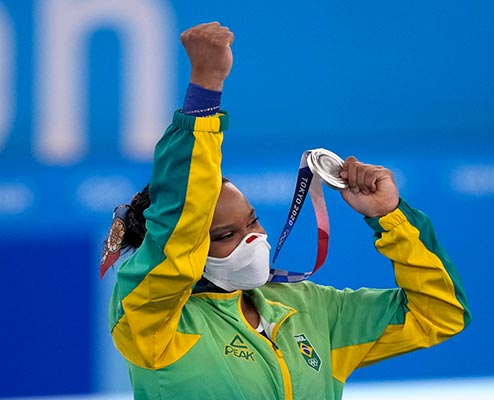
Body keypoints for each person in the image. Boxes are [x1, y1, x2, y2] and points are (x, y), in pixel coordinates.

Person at [103, 22, 471, 400]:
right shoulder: (150, 322)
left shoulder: (311, 310)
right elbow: (180, 222)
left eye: (253, 221)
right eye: (225, 235)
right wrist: (206, 86)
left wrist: (389, 216)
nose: (254, 238)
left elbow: (439, 312)